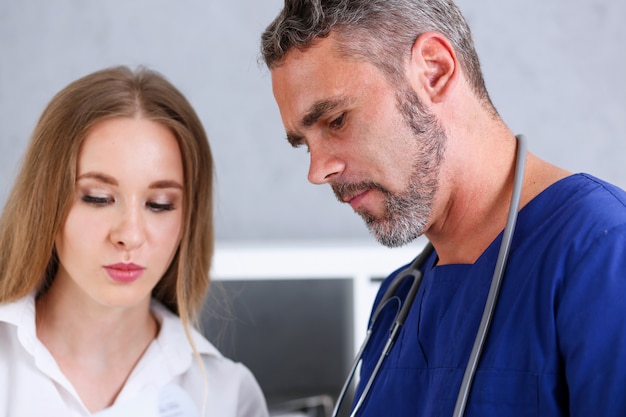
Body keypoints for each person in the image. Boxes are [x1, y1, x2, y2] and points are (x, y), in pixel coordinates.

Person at [260, 1, 626, 416]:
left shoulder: (604, 254)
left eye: (337, 120)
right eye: (305, 143)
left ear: (433, 70)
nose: (317, 170)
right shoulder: (397, 299)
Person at [0, 66, 269, 417]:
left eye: (159, 204)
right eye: (98, 198)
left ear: (188, 218)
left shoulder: (224, 396)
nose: (129, 235)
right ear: (45, 201)